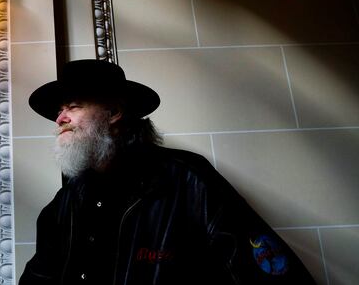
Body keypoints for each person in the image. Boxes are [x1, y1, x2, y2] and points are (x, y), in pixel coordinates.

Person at [20, 59, 315, 284]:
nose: (60, 118)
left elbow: (269, 271)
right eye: (59, 110)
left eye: (73, 106)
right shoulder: (65, 202)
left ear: (114, 113)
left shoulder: (187, 178)